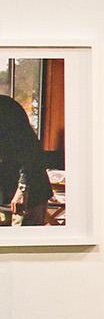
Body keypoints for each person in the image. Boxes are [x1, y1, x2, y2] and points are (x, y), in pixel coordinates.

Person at [0, 95, 53, 226]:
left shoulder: (6, 108)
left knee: (24, 242)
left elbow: (30, 150)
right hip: (4, 193)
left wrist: (22, 189)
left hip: (28, 192)